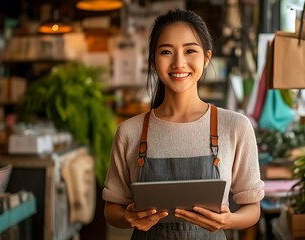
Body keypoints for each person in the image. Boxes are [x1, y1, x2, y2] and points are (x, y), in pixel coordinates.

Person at [103, 9, 264, 239]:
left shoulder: (235, 127)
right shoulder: (130, 132)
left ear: (206, 57)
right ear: (153, 60)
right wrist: (127, 218)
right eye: (166, 52)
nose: (179, 62)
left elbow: (252, 209)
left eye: (190, 50)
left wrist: (228, 220)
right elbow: (111, 211)